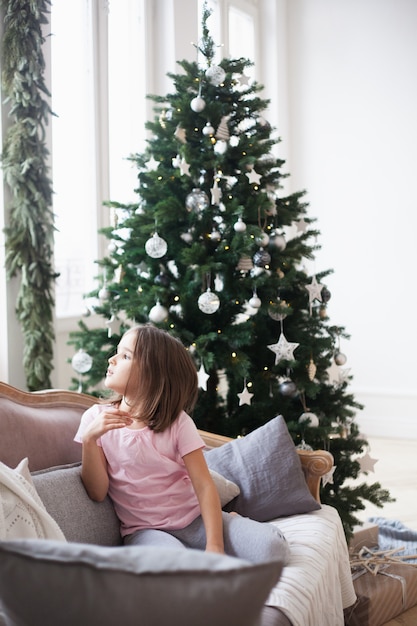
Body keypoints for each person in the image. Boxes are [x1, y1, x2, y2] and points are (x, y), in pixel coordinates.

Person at [74, 324, 289, 564]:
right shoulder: (95, 419)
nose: (112, 359)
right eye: (117, 352)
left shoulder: (177, 422)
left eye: (125, 355)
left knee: (274, 549)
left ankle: (231, 526)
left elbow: (204, 485)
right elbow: (97, 491)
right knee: (178, 570)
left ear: (151, 374)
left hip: (194, 520)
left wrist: (215, 546)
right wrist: (90, 440)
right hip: (147, 532)